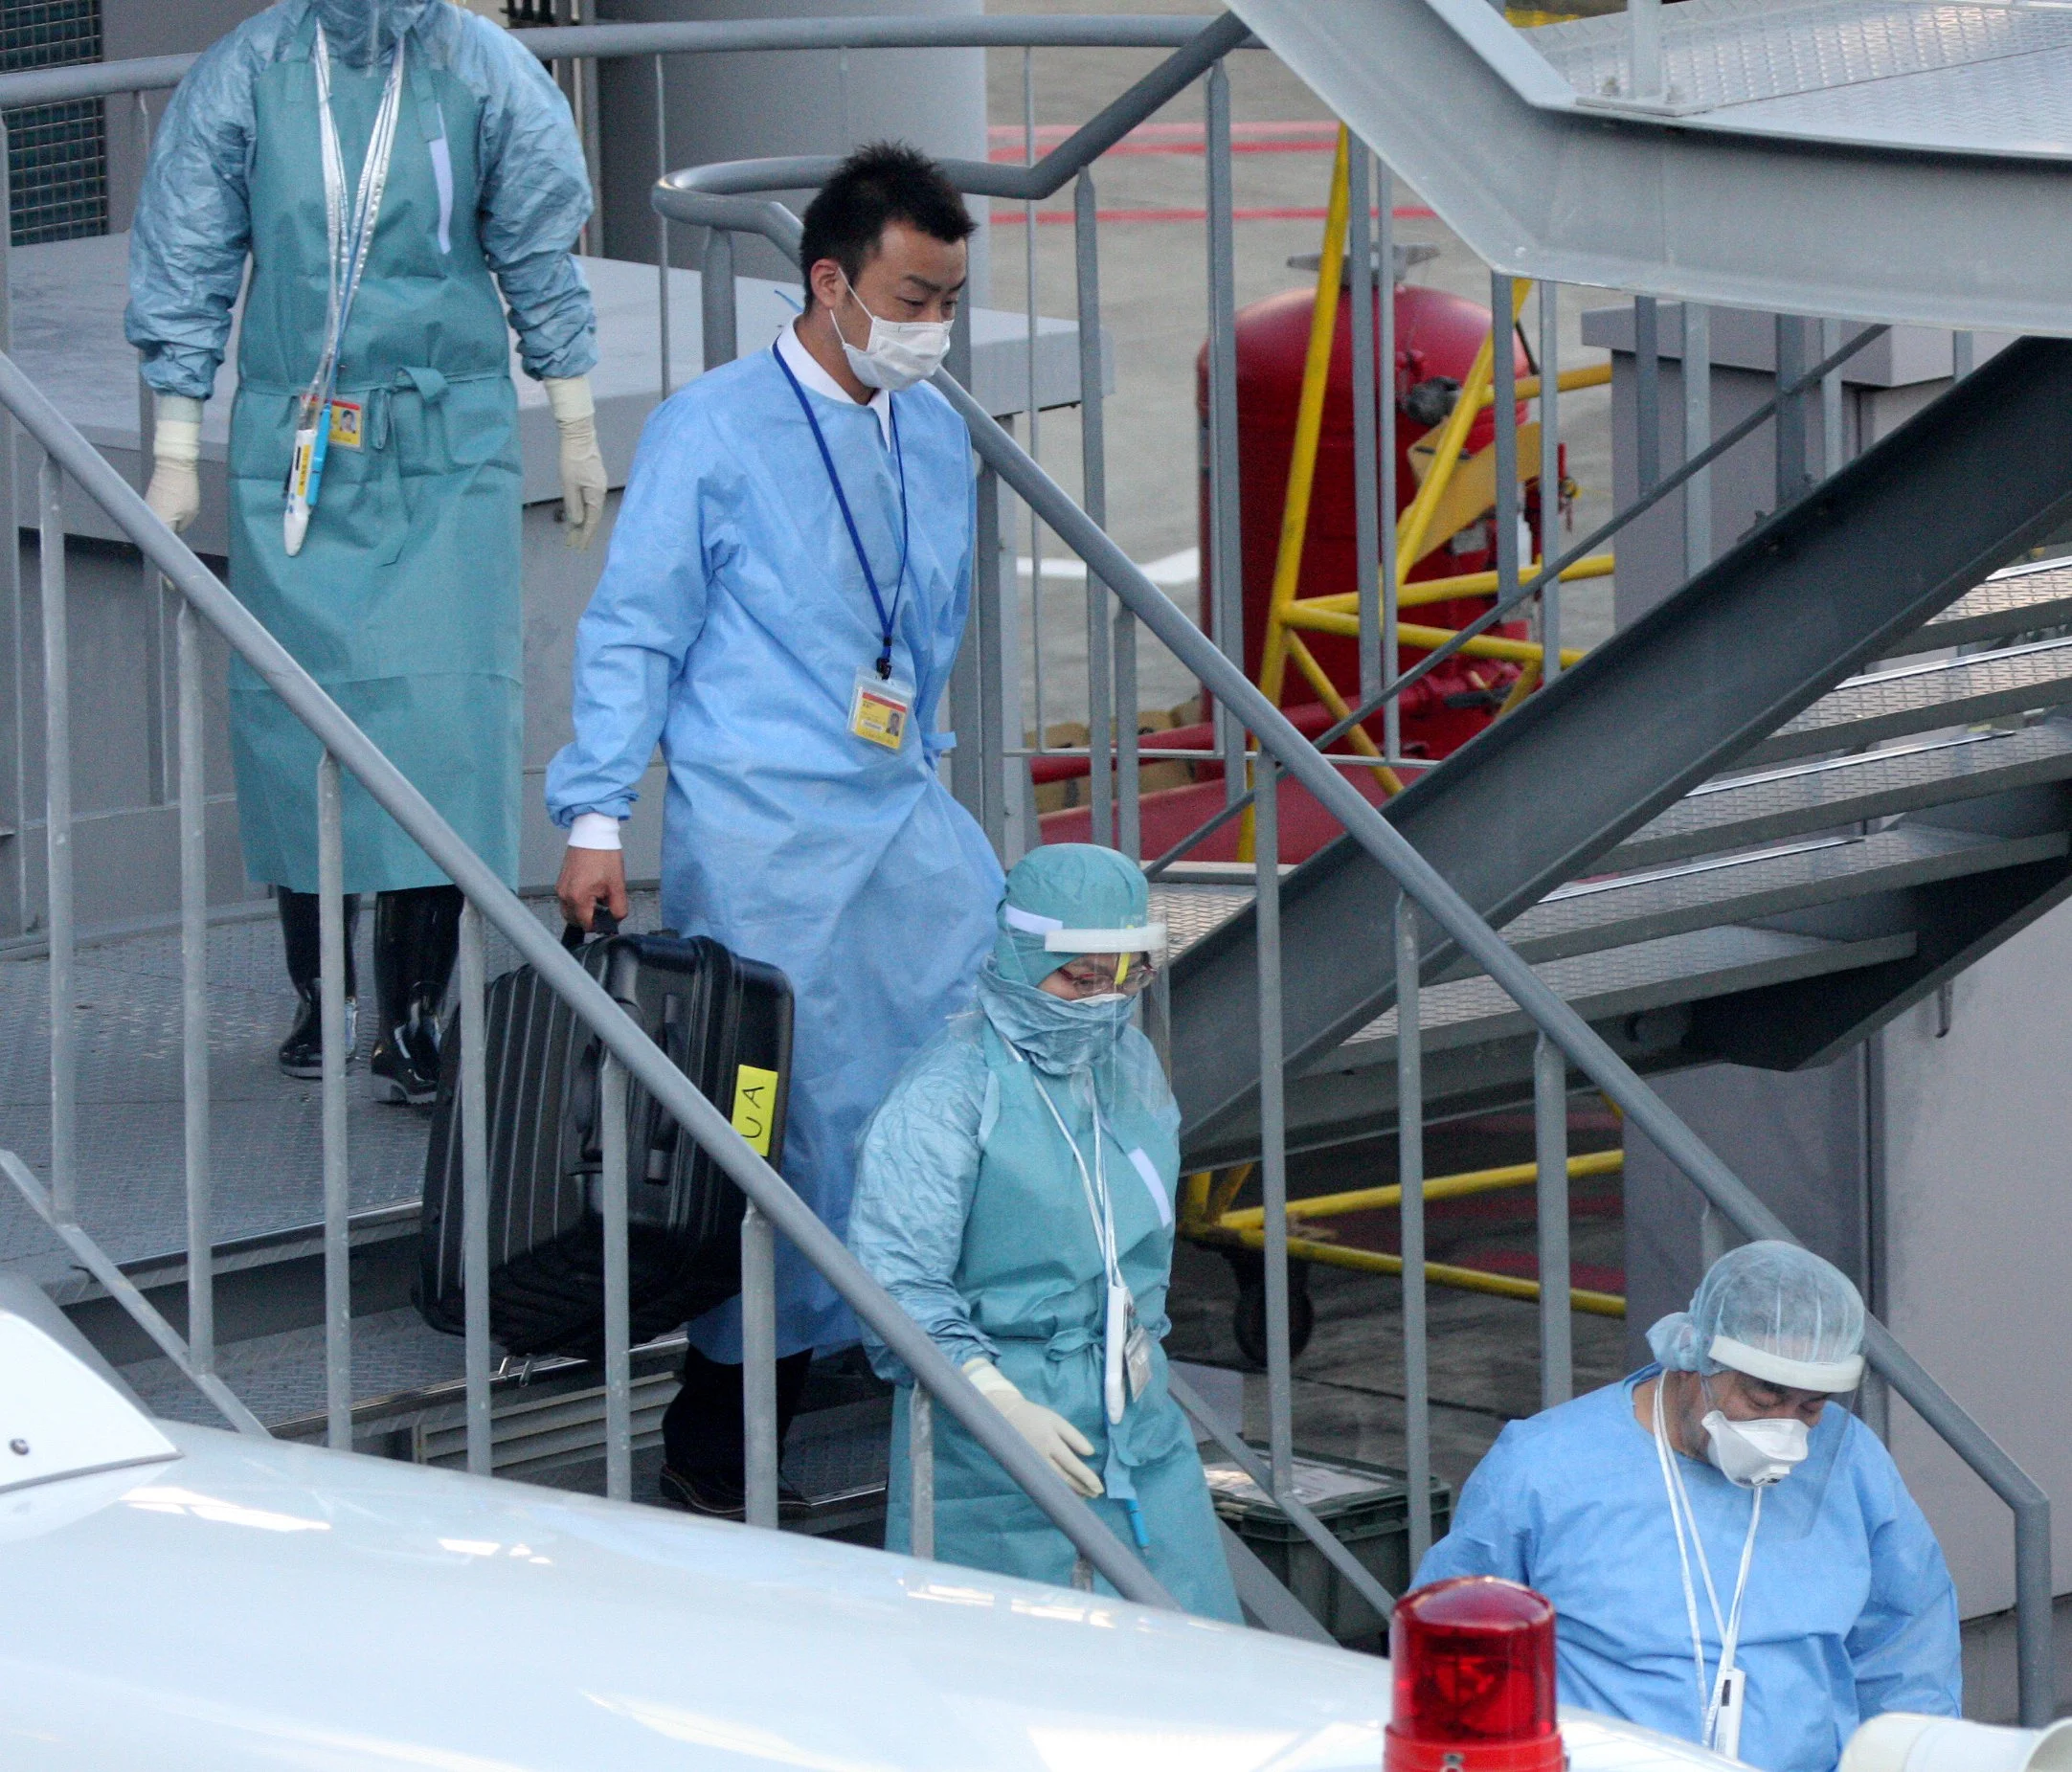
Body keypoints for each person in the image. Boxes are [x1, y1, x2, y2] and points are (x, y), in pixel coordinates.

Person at [547, 143, 1002, 1516]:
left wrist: (921, 762)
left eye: (949, 300)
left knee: (948, 1091)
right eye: (912, 296)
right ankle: (720, 1442)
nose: (933, 327)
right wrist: (593, 812)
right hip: (761, 840)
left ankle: (918, 1370)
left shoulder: (930, 432)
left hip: (898, 824)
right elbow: (636, 629)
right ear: (829, 279)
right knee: (777, 1137)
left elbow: (928, 631)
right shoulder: (715, 430)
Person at [126, 0, 606, 1102]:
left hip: (442, 447)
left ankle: (413, 1015)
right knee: (299, 730)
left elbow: (536, 239)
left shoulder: (482, 68)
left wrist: (570, 409)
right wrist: (177, 439)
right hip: (300, 433)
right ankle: (320, 995)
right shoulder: (250, 72)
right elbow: (188, 245)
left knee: (442, 731)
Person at [848, 844, 1242, 1621]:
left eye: (1126, 977)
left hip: (1138, 1410)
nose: (1103, 1002)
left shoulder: (1124, 1063)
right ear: (1022, 957)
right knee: (1011, 1684)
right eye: (1081, 978)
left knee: (1186, 1660)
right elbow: (895, 1281)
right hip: (994, 1423)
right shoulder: (947, 1096)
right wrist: (990, 1395)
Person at [1417, 1242, 1960, 1772]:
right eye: (1764, 1398)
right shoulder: (1547, 1468)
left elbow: (1907, 1650)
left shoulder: (1848, 1460)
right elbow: (1455, 1645)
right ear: (1690, 1359)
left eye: (1811, 1405)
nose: (1786, 1428)